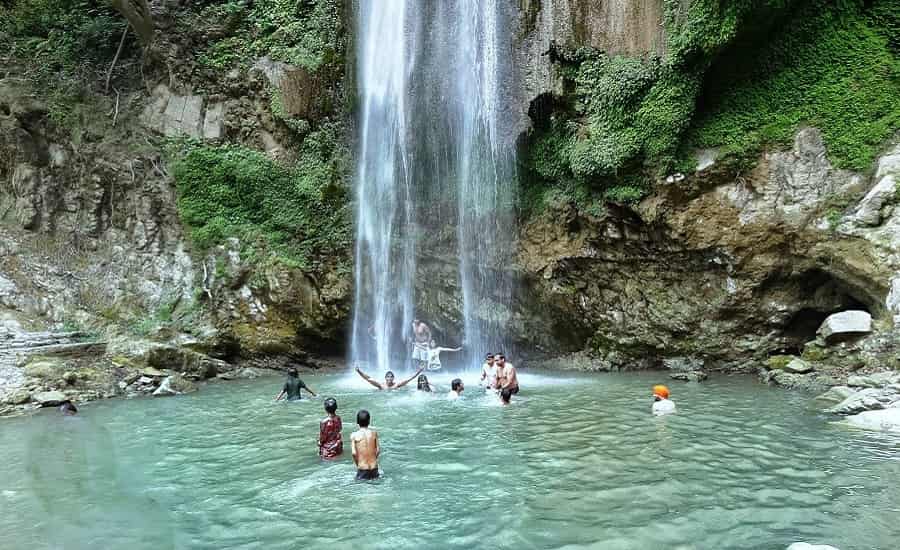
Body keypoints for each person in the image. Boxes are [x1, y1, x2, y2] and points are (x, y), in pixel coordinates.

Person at [351, 409, 380, 480]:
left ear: (357, 422)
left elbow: (354, 453)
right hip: (374, 468)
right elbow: (378, 451)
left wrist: (358, 465)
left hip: (363, 469)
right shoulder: (374, 433)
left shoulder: (354, 435)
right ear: (369, 421)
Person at [355, 365, 424, 390]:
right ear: (385, 378)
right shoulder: (381, 385)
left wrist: (419, 371)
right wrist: (359, 371)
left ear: (393, 378)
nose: (389, 378)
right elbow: (368, 379)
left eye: (391, 377)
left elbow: (410, 379)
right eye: (388, 377)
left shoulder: (396, 385)